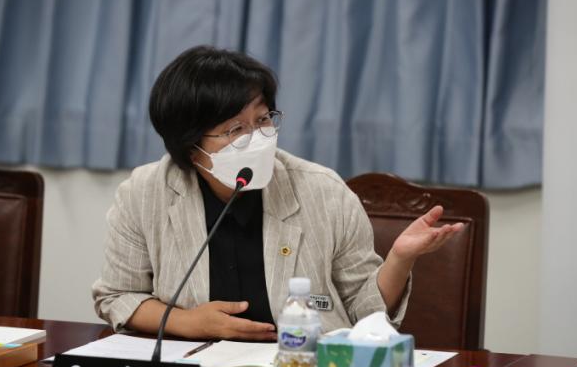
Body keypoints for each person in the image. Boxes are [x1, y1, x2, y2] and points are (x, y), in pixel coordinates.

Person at [92, 45, 462, 341]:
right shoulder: (145, 193)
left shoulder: (323, 191)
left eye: (263, 119)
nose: (257, 137)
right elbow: (118, 296)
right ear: (191, 147)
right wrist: (188, 322)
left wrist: (399, 259)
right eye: (235, 129)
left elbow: (366, 314)